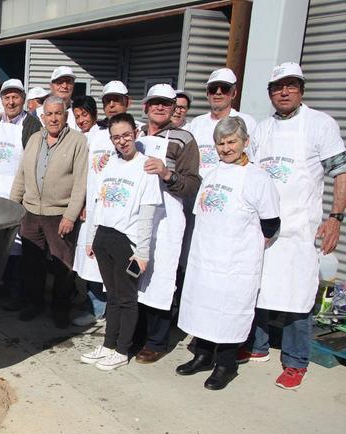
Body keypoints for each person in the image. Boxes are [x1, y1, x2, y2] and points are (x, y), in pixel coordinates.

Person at [246, 62, 346, 389]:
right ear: (270, 93)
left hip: (300, 230)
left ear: (301, 89)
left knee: (297, 296)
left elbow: (341, 173)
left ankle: (295, 360)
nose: (284, 91)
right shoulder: (261, 129)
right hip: (264, 229)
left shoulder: (319, 124)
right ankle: (258, 347)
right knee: (259, 287)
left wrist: (336, 218)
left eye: (290, 85)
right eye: (278, 86)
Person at [176, 116, 280, 390]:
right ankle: (203, 355)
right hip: (205, 258)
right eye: (220, 143)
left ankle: (226, 364)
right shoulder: (212, 173)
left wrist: (250, 245)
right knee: (204, 308)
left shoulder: (257, 178)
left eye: (231, 141)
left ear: (245, 142)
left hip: (235, 261)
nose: (225, 148)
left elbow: (271, 222)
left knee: (228, 313)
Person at [79, 112, 162, 371]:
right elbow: (99, 203)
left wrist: (143, 253)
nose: (122, 142)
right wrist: (92, 238)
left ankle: (122, 349)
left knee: (126, 298)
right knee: (112, 295)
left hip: (127, 241)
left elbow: (147, 215)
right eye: (116, 138)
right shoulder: (109, 164)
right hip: (104, 236)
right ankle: (108, 344)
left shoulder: (146, 167)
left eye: (126, 135)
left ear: (136, 134)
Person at [133, 84, 201, 364]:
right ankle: (133, 333)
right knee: (133, 275)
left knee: (160, 279)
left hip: (167, 217)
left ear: (174, 108)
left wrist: (167, 174)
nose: (160, 108)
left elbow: (192, 184)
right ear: (146, 107)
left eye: (166, 103)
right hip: (136, 216)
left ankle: (156, 340)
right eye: (155, 103)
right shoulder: (134, 136)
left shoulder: (184, 139)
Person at [10, 96, 88, 326]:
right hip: (31, 212)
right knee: (31, 264)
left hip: (59, 215)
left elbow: (80, 183)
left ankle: (60, 309)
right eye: (49, 114)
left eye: (58, 113)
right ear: (42, 117)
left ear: (66, 116)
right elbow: (21, 175)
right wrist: (13, 207)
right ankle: (34, 303)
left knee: (63, 266)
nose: (53, 118)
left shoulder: (77, 141)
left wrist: (70, 215)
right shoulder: (35, 139)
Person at [0, 80, 42, 311]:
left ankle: (19, 294)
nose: (11, 102)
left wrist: (22, 194)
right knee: (3, 245)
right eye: (6, 98)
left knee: (20, 246)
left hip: (21, 193)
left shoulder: (31, 124)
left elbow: (34, 161)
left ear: (23, 99)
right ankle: (3, 287)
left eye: (15, 97)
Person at [71, 94, 110, 327]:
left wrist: (87, 203)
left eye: (84, 115)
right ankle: (88, 299)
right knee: (83, 258)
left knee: (93, 257)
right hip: (80, 204)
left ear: (94, 114)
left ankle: (97, 307)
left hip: (96, 205)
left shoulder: (103, 137)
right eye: (77, 116)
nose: (81, 120)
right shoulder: (78, 137)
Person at [185, 68, 258, 177]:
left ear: (234, 93)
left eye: (224, 88)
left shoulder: (247, 122)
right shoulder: (196, 123)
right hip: (200, 189)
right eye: (213, 89)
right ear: (207, 94)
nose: (218, 93)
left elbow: (253, 160)